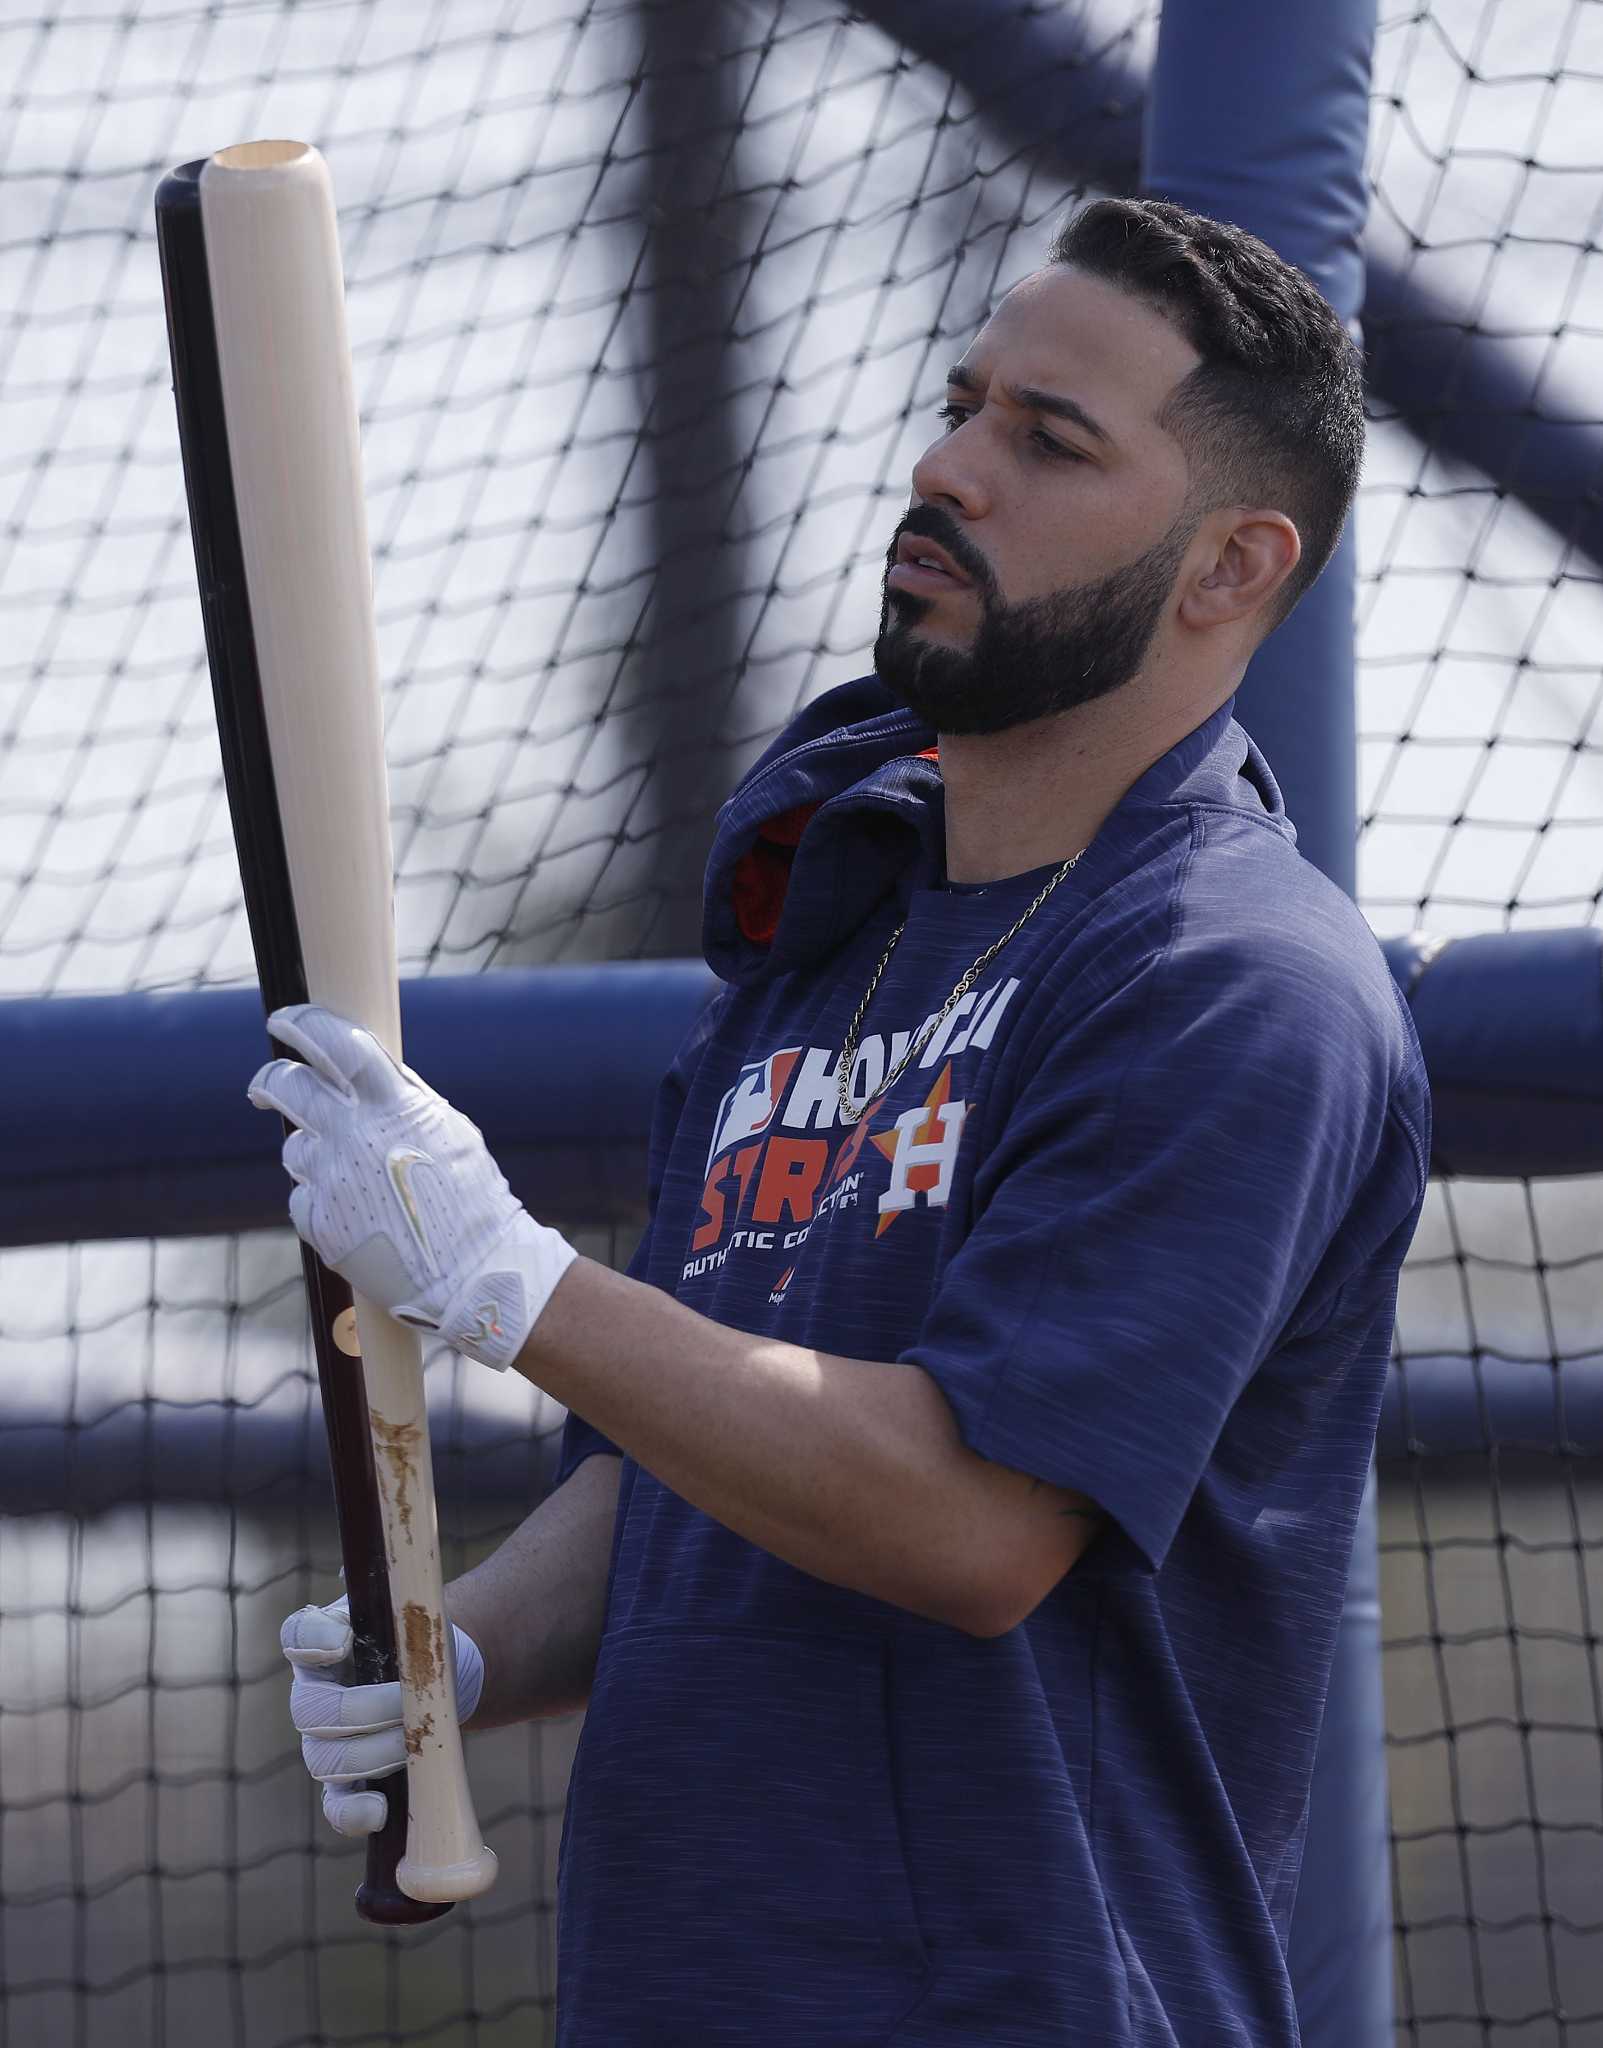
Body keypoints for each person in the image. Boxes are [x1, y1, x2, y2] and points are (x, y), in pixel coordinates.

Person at [258, 197, 1433, 2045]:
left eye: (1048, 440)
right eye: (965, 402)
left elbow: (966, 1523)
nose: (947, 464)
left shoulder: (1237, 978)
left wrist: (509, 1281)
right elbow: (689, 1472)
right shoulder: (830, 937)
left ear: (1230, 567)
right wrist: (459, 1648)